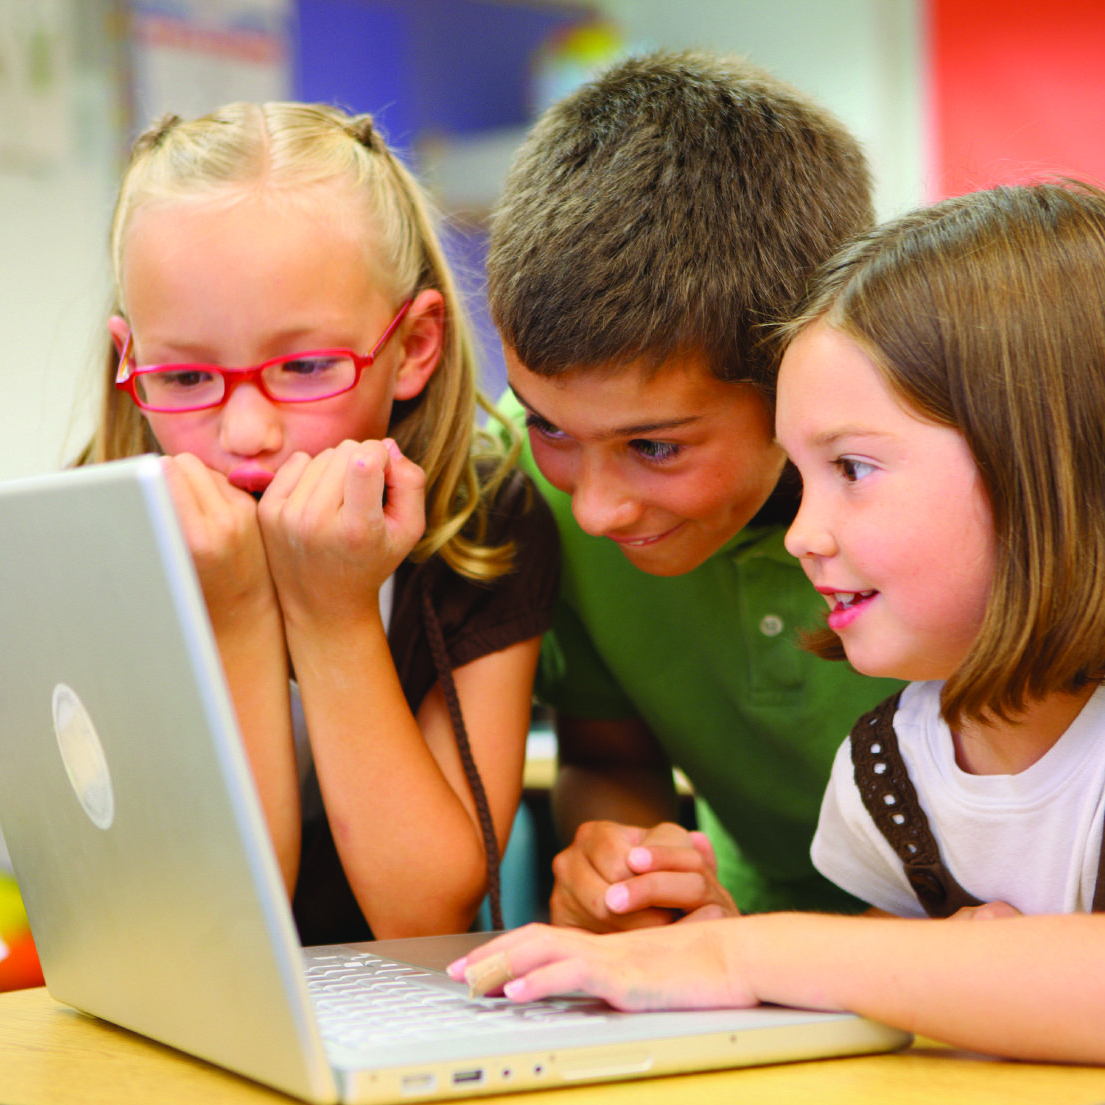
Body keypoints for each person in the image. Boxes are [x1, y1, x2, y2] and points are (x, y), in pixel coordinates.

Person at [448, 181, 1105, 1064]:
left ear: (1048, 461)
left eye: (852, 468)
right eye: (803, 471)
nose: (801, 534)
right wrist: (713, 945)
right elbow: (891, 975)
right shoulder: (901, 760)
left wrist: (743, 953)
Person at [78, 101, 559, 943]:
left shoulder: (485, 521)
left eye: (303, 366)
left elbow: (426, 913)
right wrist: (237, 615)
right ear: (132, 359)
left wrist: (333, 614)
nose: (245, 433)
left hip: (394, 996)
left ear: (413, 346)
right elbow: (214, 929)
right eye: (185, 378)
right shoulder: (91, 536)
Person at [487, 49, 901, 928]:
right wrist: (630, 870)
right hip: (748, 938)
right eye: (549, 425)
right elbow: (608, 749)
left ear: (796, 375)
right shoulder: (528, 483)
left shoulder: (967, 484)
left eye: (654, 446)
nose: (593, 507)